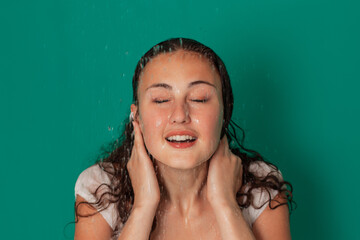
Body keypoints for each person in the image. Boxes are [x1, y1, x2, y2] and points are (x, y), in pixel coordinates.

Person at [74, 38, 294, 240]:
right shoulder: (101, 190)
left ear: (224, 112)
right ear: (137, 117)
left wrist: (226, 204)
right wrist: (144, 206)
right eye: (161, 100)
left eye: (199, 98)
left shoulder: (261, 190)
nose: (180, 115)